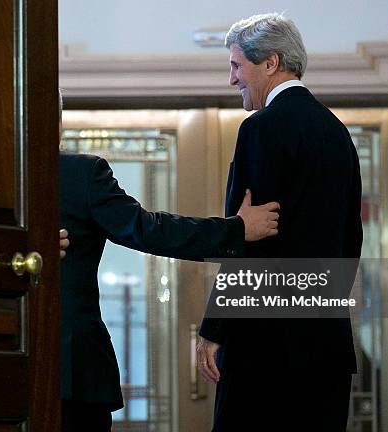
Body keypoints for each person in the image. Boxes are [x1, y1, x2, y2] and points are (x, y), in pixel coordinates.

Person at [58, 92, 280, 431]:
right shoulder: (79, 174)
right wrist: (237, 230)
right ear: (56, 122)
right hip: (74, 371)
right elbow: (149, 230)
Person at [196, 13, 362, 431]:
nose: (232, 79)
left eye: (236, 65)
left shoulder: (261, 129)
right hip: (326, 347)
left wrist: (214, 328)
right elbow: (351, 241)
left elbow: (245, 238)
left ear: (270, 63)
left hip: (264, 350)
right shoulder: (338, 133)